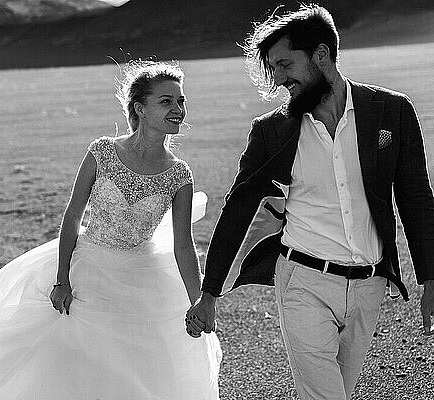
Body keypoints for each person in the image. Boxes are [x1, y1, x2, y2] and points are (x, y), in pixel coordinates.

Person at [186, 4, 434, 400]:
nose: (280, 79)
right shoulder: (272, 131)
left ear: (321, 55)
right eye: (274, 68)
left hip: (369, 286)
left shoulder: (391, 112)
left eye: (285, 64)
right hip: (303, 282)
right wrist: (210, 292)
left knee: (337, 391)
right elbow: (238, 209)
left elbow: (416, 197)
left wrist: (430, 277)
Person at [0, 60, 222, 400]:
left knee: (138, 372)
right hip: (88, 268)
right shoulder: (102, 151)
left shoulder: (179, 175)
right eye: (166, 101)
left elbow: (183, 246)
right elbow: (73, 216)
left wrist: (197, 303)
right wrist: (62, 279)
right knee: (73, 365)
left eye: (181, 101)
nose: (178, 109)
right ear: (140, 108)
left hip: (143, 282)